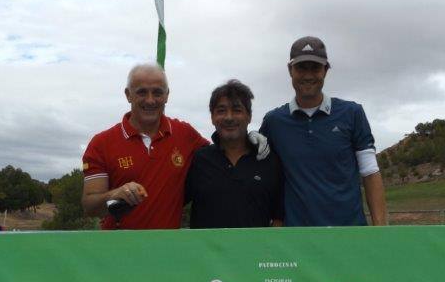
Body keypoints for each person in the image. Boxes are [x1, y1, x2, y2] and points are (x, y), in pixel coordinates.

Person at [81, 63, 269, 229]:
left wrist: (250, 138)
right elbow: (90, 206)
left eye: (157, 92)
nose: (150, 100)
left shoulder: (185, 134)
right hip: (117, 250)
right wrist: (115, 194)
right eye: (141, 92)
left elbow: (223, 153)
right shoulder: (101, 143)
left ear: (167, 95)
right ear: (128, 95)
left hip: (170, 251)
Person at [260, 36, 387, 227]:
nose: (308, 75)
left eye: (315, 68)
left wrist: (381, 231)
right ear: (290, 70)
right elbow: (261, 172)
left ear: (326, 70)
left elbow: (370, 172)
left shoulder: (352, 113)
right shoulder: (274, 121)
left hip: (349, 234)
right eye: (302, 67)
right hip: (296, 238)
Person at [185, 80, 284, 228]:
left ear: (249, 116)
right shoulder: (198, 159)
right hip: (205, 251)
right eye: (221, 111)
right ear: (212, 117)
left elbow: (278, 217)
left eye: (237, 110)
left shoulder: (269, 160)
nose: (229, 117)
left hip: (255, 250)